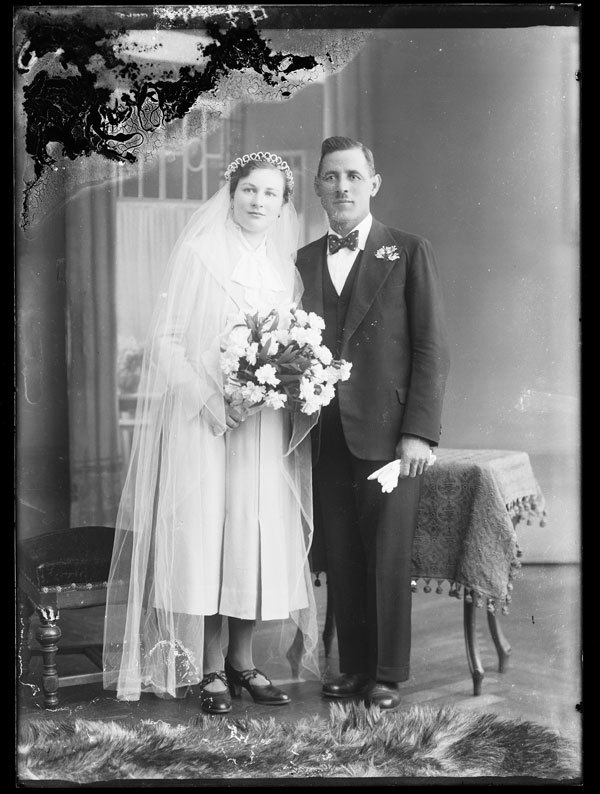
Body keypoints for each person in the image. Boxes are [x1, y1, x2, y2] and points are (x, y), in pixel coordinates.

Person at [103, 152, 319, 715]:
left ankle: (244, 663)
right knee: (207, 538)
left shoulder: (285, 269)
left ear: (283, 205)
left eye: (270, 193)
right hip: (204, 421)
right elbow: (166, 341)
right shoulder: (199, 254)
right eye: (249, 189)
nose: (258, 201)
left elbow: (289, 346)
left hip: (261, 424)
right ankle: (210, 668)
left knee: (252, 534)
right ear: (231, 193)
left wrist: (274, 388)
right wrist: (208, 399)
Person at [296, 136, 450, 711]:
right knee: (341, 552)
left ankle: (387, 673)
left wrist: (419, 432)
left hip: (389, 433)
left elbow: (432, 348)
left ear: (373, 184)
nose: (342, 187)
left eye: (353, 177)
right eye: (331, 177)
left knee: (386, 553)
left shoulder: (408, 250)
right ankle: (355, 668)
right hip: (324, 433)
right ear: (317, 187)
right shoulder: (303, 260)